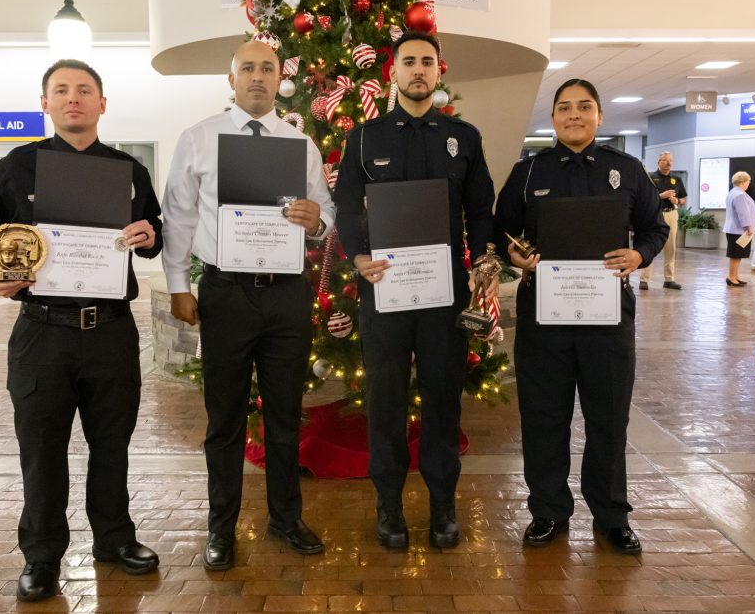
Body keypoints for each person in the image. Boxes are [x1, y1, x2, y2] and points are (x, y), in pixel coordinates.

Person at [0, 59, 163, 602]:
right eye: (61, 91)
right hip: (42, 332)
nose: (73, 98)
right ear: (45, 103)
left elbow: (155, 231)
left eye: (84, 90)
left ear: (102, 103)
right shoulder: (14, 166)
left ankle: (115, 539)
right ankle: (42, 555)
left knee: (112, 445)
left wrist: (149, 235)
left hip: (110, 331)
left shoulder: (129, 170)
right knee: (42, 448)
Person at [161, 40, 335, 570]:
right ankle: (221, 528)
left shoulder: (300, 143)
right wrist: (177, 285)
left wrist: (317, 221)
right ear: (231, 77)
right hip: (227, 293)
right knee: (225, 418)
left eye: (267, 68)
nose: (257, 77)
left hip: (286, 294)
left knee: (285, 414)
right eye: (247, 68)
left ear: (281, 77)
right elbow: (179, 216)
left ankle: (285, 518)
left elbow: (326, 212)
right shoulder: (200, 138)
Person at [334, 31, 495, 549]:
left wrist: (485, 259)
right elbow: (345, 207)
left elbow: (481, 209)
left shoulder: (463, 138)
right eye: (409, 62)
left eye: (427, 61)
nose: (419, 70)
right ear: (393, 72)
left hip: (445, 296)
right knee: (385, 400)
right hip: (385, 293)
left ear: (439, 70)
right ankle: (389, 505)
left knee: (443, 400)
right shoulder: (363, 138)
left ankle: (443, 505)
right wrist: (357, 257)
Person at [493, 78, 667, 555]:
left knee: (608, 418)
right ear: (552, 118)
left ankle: (611, 516)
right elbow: (500, 227)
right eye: (564, 108)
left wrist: (640, 256)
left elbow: (654, 228)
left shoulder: (627, 170)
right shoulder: (529, 173)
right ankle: (548, 511)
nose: (574, 115)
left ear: (599, 116)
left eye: (584, 107)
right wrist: (515, 254)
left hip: (607, 317)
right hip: (543, 317)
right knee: (544, 417)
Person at [639, 151, 687, 290]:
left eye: (670, 160)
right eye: (665, 160)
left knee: (671, 247)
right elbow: (644, 198)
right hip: (655, 214)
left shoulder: (676, 179)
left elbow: (683, 199)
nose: (668, 163)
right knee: (650, 245)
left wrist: (677, 200)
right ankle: (644, 279)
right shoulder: (650, 177)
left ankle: (669, 279)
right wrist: (661, 195)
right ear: (658, 162)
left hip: (671, 214)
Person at [724, 171, 755, 286]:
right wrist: (748, 227)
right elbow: (743, 213)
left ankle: (735, 276)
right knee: (736, 255)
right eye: (748, 181)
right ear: (743, 182)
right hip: (739, 230)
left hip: (734, 229)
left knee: (736, 255)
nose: (749, 184)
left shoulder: (733, 193)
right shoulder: (740, 195)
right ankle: (732, 278)